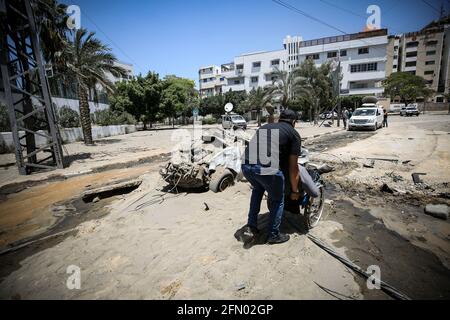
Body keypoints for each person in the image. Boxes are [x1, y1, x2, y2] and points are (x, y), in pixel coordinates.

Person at [241, 110, 301, 245]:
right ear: (293, 122)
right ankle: (273, 235)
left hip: (246, 166)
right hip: (266, 169)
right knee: (278, 200)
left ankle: (251, 226)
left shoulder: (264, 127)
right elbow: (293, 167)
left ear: (280, 119)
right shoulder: (293, 134)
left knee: (257, 191)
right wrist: (295, 190)